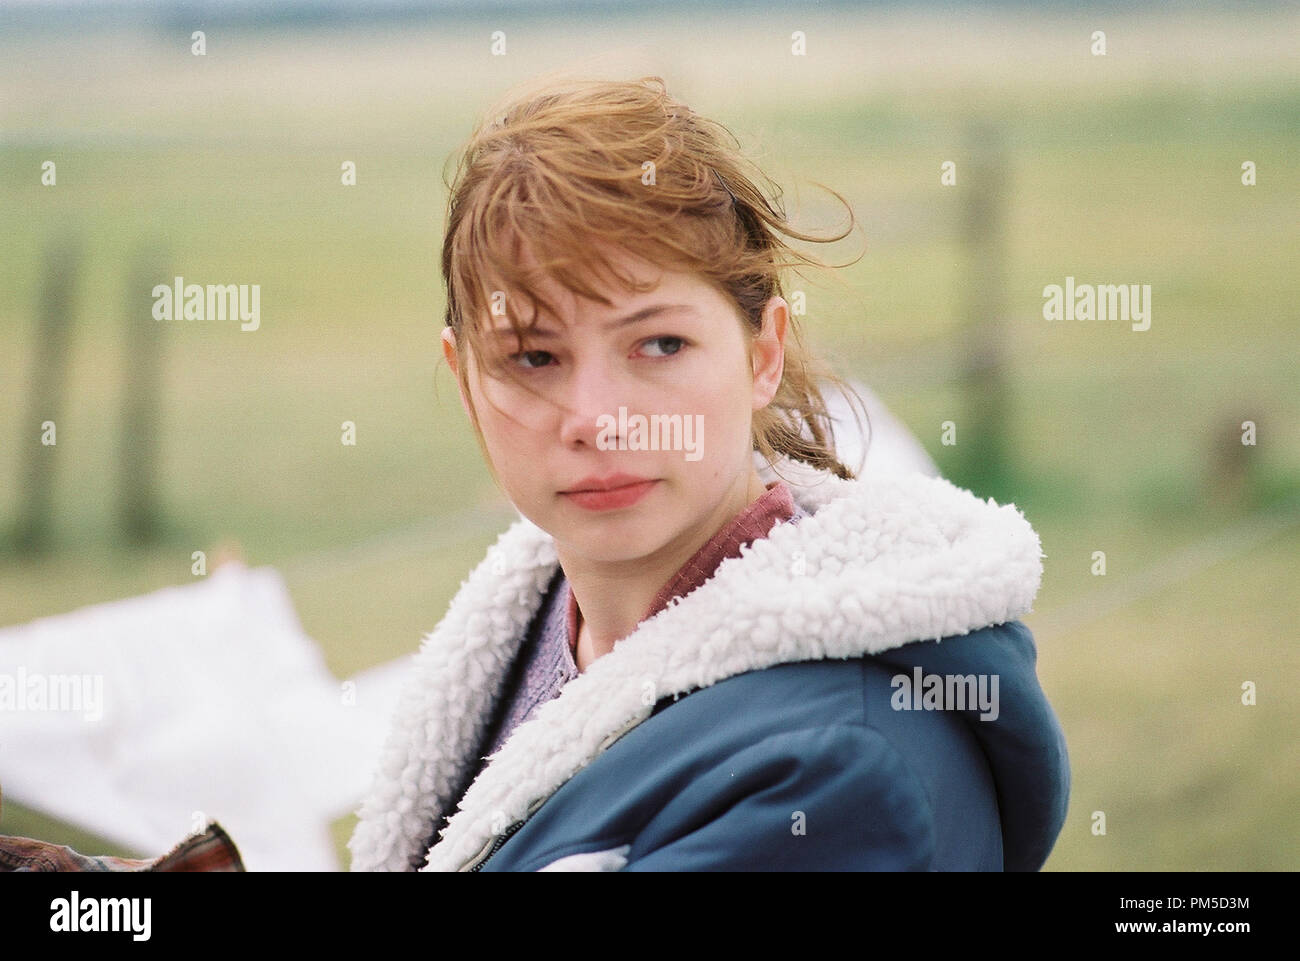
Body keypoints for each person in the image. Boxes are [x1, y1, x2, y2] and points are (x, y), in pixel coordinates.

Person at [346, 74, 1069, 872]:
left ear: (764, 353)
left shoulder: (833, 769)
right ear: (466, 385)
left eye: (659, 344)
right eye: (532, 357)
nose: (597, 416)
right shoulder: (524, 643)